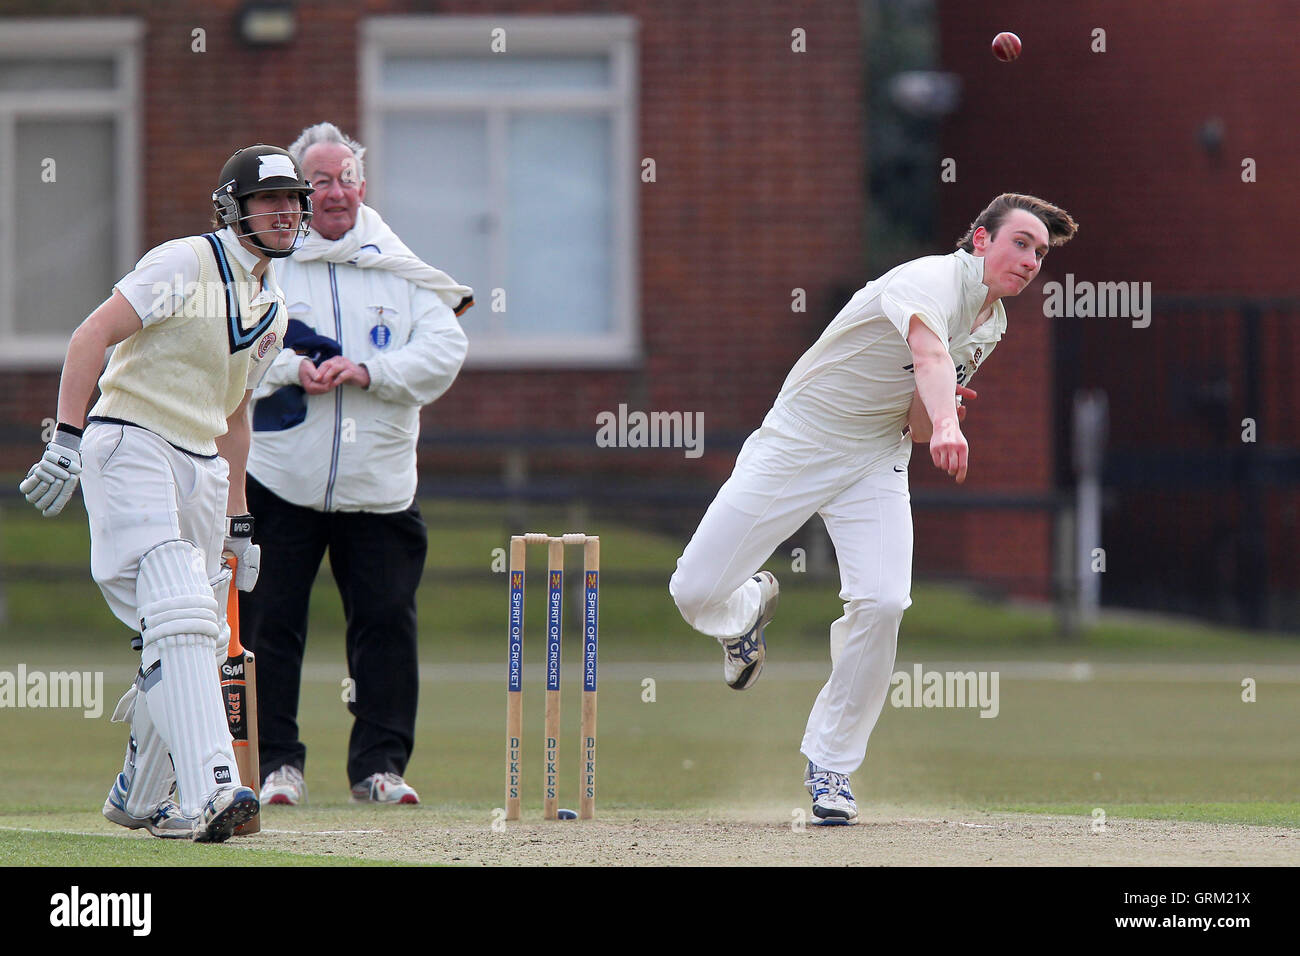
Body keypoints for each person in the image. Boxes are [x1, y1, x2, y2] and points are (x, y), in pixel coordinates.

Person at [669, 193, 1078, 824]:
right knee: (694, 591)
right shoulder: (928, 280)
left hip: (874, 459)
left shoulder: (992, 324)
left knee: (884, 602)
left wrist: (934, 418)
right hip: (799, 440)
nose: (1029, 260)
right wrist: (948, 423)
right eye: (1020, 243)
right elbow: (930, 356)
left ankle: (830, 766)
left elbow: (916, 417)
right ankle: (745, 611)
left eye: (1041, 253)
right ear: (979, 240)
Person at [19, 144, 313, 841]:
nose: (285, 213)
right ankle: (215, 788)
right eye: (269, 201)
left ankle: (142, 793)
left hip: (203, 464)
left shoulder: (272, 308)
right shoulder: (184, 262)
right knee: (178, 605)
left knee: (198, 640)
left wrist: (241, 516)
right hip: (131, 441)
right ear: (231, 209)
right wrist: (65, 434)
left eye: (293, 201)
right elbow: (92, 335)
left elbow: (235, 414)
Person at [239, 122, 472, 806]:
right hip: (282, 479)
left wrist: (368, 370)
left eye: (344, 179)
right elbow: (233, 348)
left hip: (380, 486)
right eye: (318, 181)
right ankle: (277, 763)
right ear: (299, 194)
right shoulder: (270, 265)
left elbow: (443, 351)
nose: (333, 192)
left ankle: (379, 766)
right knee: (269, 625)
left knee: (385, 623)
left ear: (362, 187)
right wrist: (292, 368)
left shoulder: (399, 266)